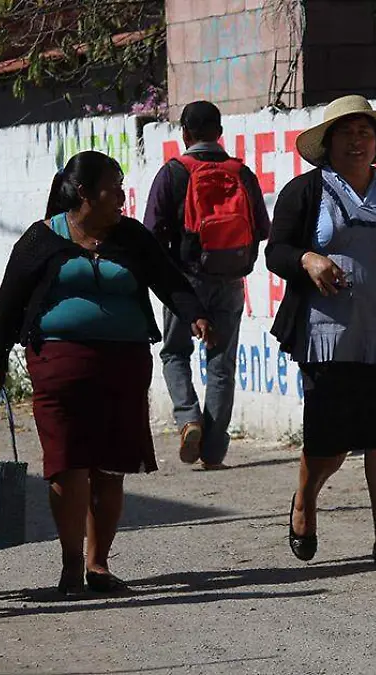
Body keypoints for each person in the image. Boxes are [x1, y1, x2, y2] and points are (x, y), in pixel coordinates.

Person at [0, 151, 213, 594]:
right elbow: (9, 299)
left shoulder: (132, 237)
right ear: (84, 192)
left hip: (123, 365)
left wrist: (195, 314)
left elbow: (169, 279)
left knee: (110, 467)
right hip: (58, 365)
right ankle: (71, 564)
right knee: (68, 465)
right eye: (112, 185)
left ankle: (98, 564)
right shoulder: (41, 238)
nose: (121, 194)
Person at [265, 95, 376, 566]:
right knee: (330, 441)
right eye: (347, 133)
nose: (357, 141)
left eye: (365, 133)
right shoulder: (305, 192)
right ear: (328, 143)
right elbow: (276, 251)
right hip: (327, 334)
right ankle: (305, 498)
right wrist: (307, 259)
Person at [143, 100, 271, 470]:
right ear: (220, 132)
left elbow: (151, 233)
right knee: (221, 363)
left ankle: (188, 420)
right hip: (231, 280)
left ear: (184, 133)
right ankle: (213, 451)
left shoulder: (173, 173)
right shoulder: (241, 173)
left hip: (185, 281)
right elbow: (262, 228)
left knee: (174, 353)